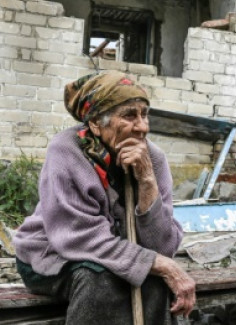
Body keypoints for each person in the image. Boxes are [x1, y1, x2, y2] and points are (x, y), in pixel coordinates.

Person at [13, 70, 196, 324]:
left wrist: (147, 183)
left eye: (144, 115)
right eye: (129, 116)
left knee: (153, 282)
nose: (142, 126)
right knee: (102, 279)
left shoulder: (153, 158)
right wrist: (158, 263)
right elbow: (80, 238)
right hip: (53, 255)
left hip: (115, 254)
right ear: (97, 123)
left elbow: (163, 247)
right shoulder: (67, 151)